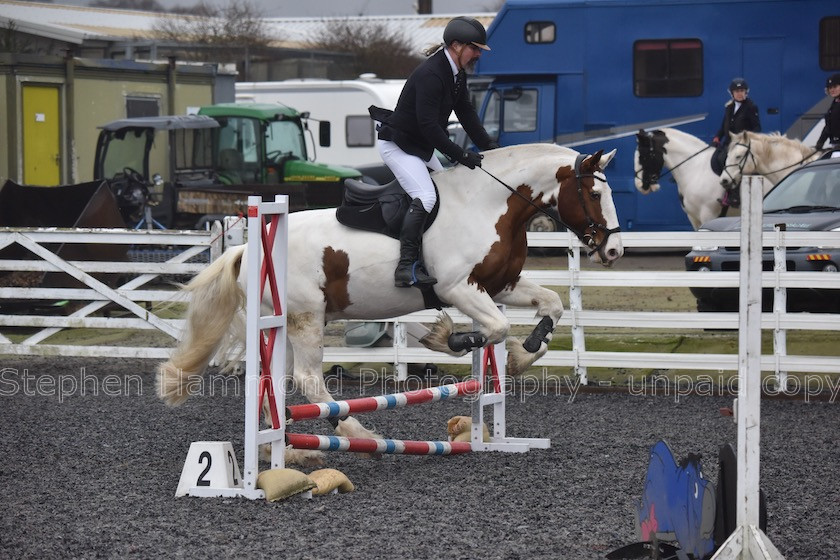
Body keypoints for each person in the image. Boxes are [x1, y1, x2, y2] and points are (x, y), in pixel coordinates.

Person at [369, 16, 499, 288]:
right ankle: (405, 267)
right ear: (456, 45)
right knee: (426, 196)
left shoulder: (455, 72)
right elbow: (429, 125)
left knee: (449, 194)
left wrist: (489, 146)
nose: (477, 54)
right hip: (399, 146)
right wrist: (460, 155)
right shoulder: (432, 74)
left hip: (418, 146)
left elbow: (465, 112)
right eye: (474, 48)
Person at [711, 77, 762, 176]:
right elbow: (723, 127)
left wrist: (746, 138)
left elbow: (757, 128)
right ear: (732, 93)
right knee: (714, 158)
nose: (739, 94)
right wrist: (717, 138)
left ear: (746, 92)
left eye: (742, 91)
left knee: (723, 159)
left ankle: (733, 186)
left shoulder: (751, 107)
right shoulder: (729, 107)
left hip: (741, 144)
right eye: (737, 91)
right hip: (728, 143)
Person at [816, 73, 840, 152]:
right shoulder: (834, 104)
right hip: (835, 145)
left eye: (835, 87)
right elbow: (828, 127)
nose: (832, 90)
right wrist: (819, 144)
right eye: (830, 88)